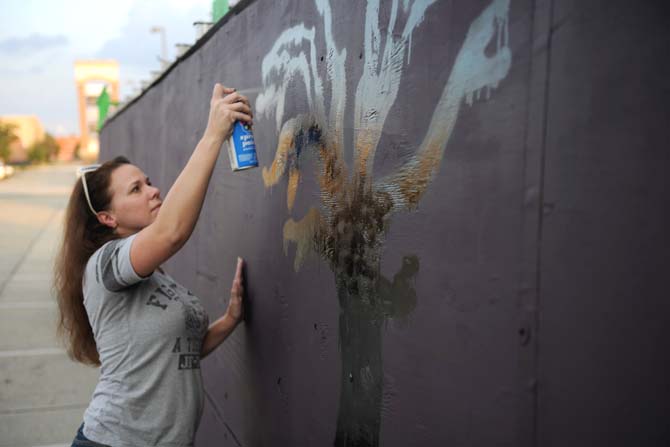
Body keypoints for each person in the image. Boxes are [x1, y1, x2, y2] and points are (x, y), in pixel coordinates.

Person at [54, 83, 253, 447]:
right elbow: (171, 232)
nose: (153, 190)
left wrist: (230, 319)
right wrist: (213, 134)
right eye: (136, 189)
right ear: (107, 218)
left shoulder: (154, 275)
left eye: (148, 182)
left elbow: (180, 351)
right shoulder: (105, 266)